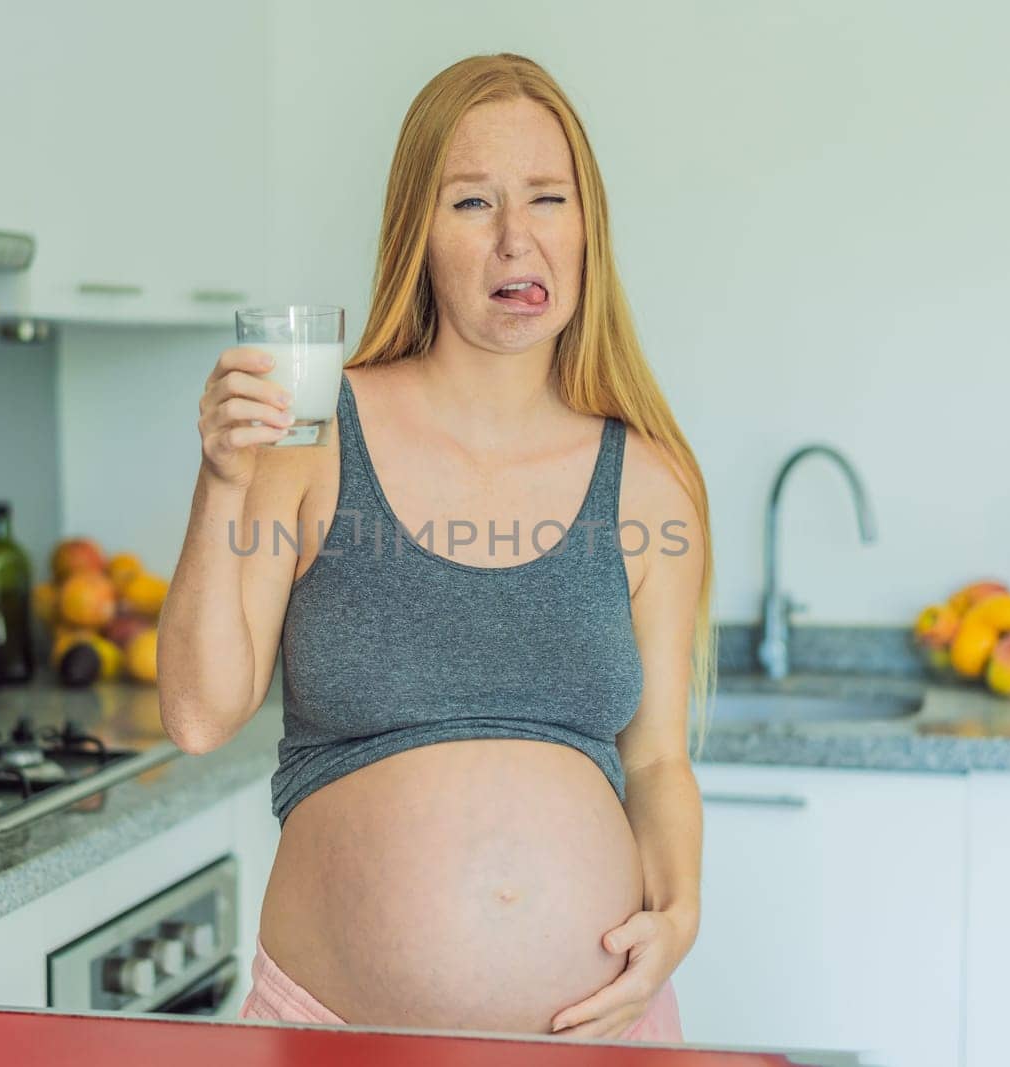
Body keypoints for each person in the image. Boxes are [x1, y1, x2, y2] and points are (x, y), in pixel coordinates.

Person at [159, 52, 714, 1042]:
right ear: (417, 232)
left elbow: (660, 761)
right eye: (471, 203)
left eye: (548, 198)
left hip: (600, 1038)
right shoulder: (309, 439)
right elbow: (200, 713)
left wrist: (679, 913)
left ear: (587, 228)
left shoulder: (649, 480)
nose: (516, 239)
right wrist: (222, 482)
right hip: (330, 1032)